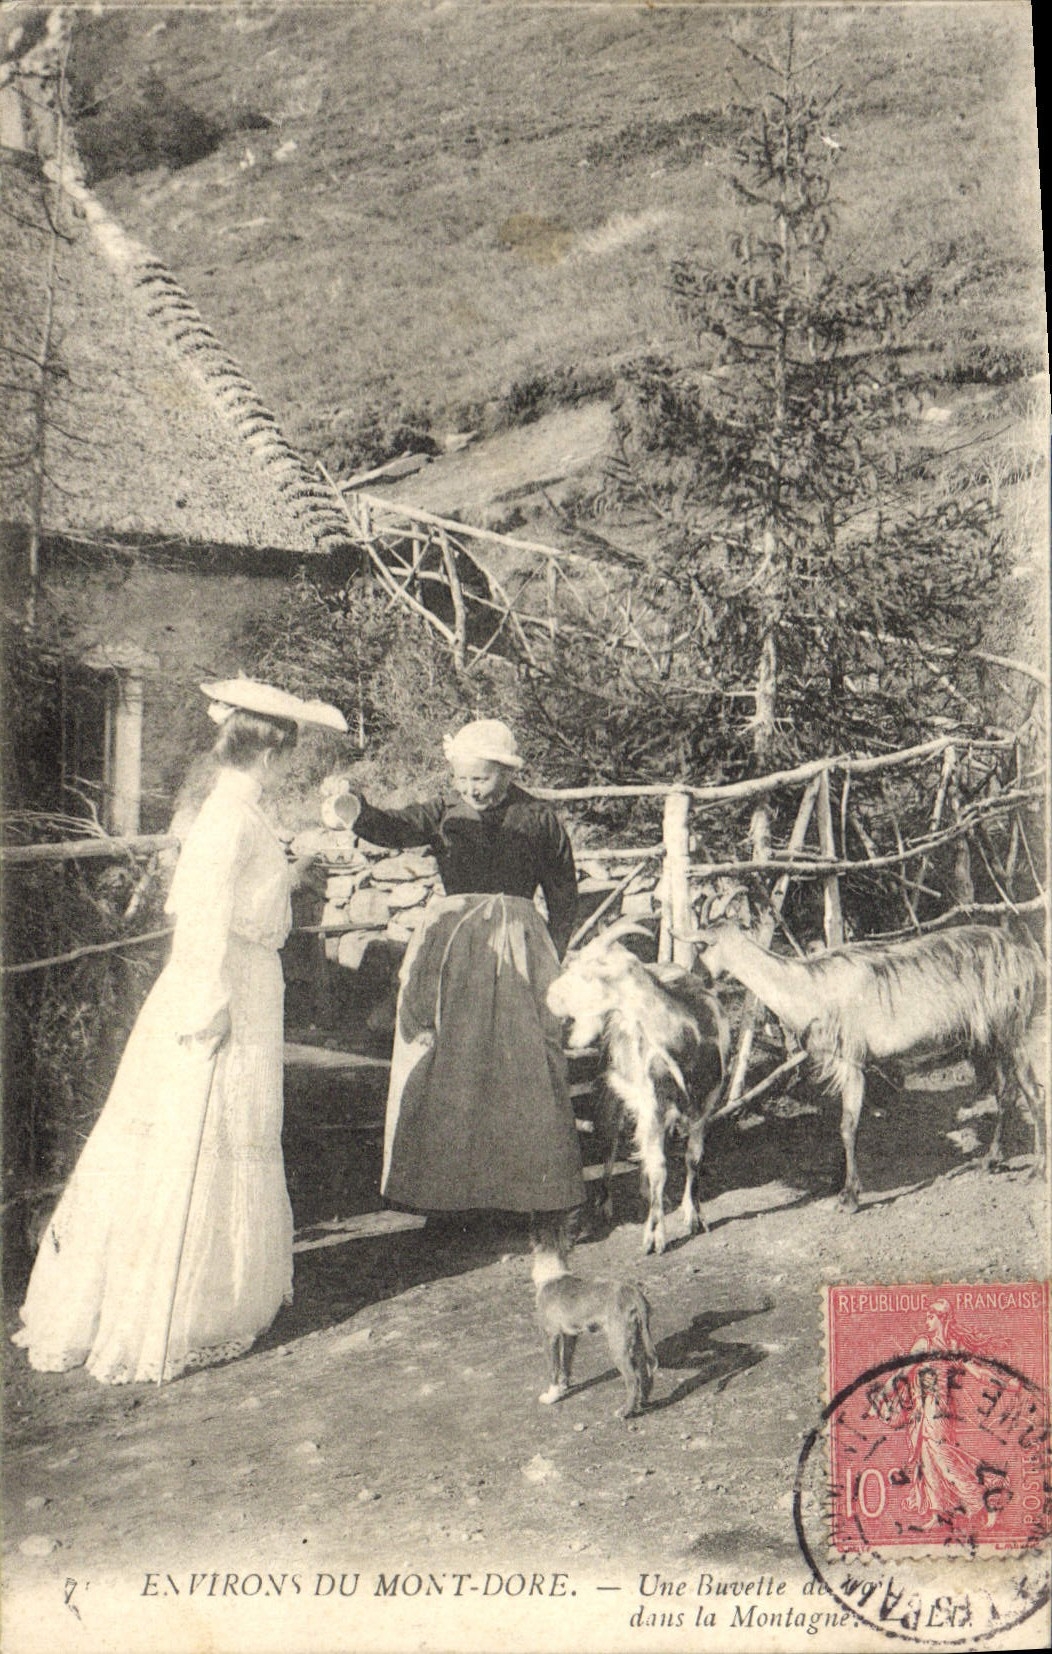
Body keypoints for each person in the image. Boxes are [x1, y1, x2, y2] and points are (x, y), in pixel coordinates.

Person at [11, 678, 347, 1384]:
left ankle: (222, 1292)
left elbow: (249, 898)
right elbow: (198, 916)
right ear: (274, 751)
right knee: (197, 1134)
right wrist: (209, 1003)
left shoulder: (241, 809)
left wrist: (302, 863)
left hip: (247, 977)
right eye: (288, 751)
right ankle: (178, 1306)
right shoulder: (228, 816)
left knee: (235, 1133)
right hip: (221, 985)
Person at [327, 719, 584, 1218]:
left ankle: (525, 1194)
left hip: (518, 946)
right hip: (459, 944)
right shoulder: (442, 812)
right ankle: (447, 1196)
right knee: (454, 1059)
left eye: (482, 780)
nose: (471, 790)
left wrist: (554, 949)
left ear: (507, 774)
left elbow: (563, 889)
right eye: (463, 780)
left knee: (520, 1060)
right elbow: (394, 828)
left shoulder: (537, 818)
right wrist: (353, 808)